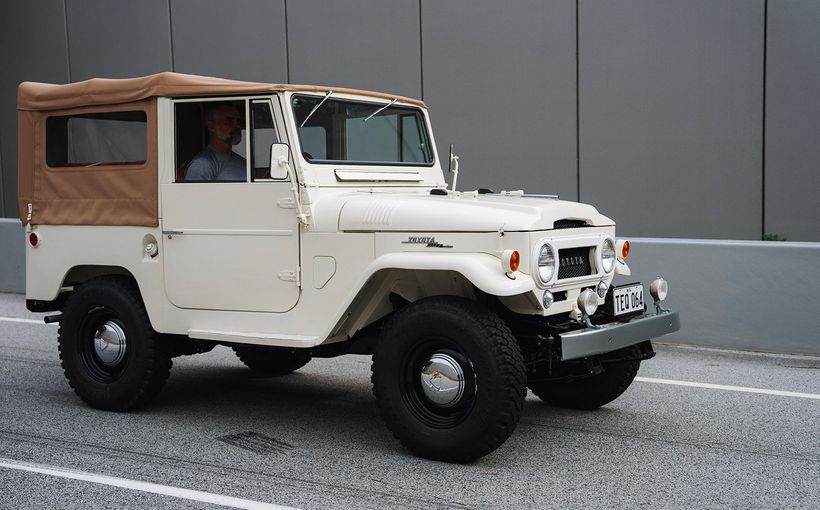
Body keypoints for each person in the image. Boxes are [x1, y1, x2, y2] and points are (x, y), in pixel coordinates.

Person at [184, 102, 247, 181]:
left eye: (238, 121)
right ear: (211, 126)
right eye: (229, 121)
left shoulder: (243, 162)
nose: (237, 125)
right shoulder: (202, 165)